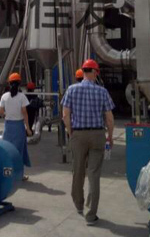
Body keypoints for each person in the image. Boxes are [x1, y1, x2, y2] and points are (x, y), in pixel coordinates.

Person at [61, 59, 115, 226]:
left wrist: (70, 132)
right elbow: (109, 118)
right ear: (94, 72)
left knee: (77, 171)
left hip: (78, 134)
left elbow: (65, 115)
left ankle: (79, 205)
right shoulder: (102, 91)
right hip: (97, 134)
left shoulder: (71, 89)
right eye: (97, 72)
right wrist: (110, 136)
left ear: (83, 72)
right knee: (93, 174)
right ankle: (91, 215)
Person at [0, 72, 33, 180]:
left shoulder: (4, 96)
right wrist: (28, 128)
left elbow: (0, 111)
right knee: (19, 152)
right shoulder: (22, 97)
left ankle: (7, 174)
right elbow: (25, 113)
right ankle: (19, 175)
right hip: (19, 127)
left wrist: (7, 114)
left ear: (9, 83)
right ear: (19, 84)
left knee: (7, 151)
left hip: (8, 127)